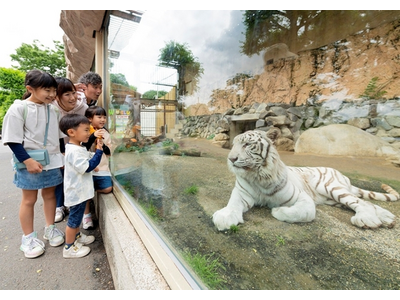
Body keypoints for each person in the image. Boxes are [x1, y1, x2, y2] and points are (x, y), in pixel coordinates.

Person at [2, 69, 65, 258]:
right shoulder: (18, 109)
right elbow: (12, 140)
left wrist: (62, 155)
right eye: (47, 90)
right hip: (29, 161)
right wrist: (27, 160)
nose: (52, 95)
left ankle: (50, 228)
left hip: (52, 160)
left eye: (54, 90)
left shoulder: (53, 109)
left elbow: (59, 136)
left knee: (50, 195)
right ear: (30, 89)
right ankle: (28, 238)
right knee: (29, 200)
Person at [59, 113, 103, 258]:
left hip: (80, 191)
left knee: (76, 218)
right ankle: (69, 248)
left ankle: (77, 238)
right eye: (86, 130)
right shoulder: (74, 150)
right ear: (71, 132)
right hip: (77, 192)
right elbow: (86, 167)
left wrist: (92, 159)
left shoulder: (76, 147)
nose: (89, 133)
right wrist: (98, 152)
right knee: (74, 220)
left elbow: (85, 160)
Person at [52, 77, 88, 223]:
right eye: (67, 94)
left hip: (76, 148)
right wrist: (61, 152)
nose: (72, 98)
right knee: (60, 176)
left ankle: (77, 208)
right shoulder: (52, 108)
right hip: (58, 147)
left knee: (76, 176)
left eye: (73, 93)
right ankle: (59, 206)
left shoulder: (83, 108)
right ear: (57, 95)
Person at [81, 106, 113, 229]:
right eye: (99, 117)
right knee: (86, 195)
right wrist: (93, 136)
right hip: (88, 168)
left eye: (104, 117)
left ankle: (93, 190)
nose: (102, 119)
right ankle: (86, 215)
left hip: (102, 168)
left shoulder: (106, 133)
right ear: (89, 118)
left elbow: (109, 151)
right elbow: (83, 146)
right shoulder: (85, 131)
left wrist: (103, 145)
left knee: (107, 188)